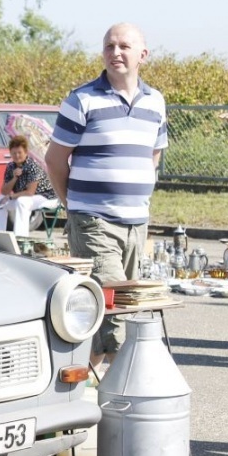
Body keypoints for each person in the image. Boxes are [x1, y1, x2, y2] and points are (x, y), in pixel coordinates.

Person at [44, 22, 168, 375]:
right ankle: (128, 397)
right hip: (94, 221)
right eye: (109, 46)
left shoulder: (155, 103)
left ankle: (79, 386)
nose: (116, 52)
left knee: (111, 309)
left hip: (135, 224)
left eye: (124, 46)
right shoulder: (82, 99)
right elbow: (54, 160)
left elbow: (152, 157)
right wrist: (74, 206)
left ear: (142, 55)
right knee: (113, 308)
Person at [0, 135, 58, 236]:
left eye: (19, 153)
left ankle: (20, 237)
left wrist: (11, 196)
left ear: (26, 152)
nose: (17, 155)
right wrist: (14, 178)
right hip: (25, 197)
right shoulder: (10, 166)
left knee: (22, 202)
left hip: (45, 197)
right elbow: (4, 192)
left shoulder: (32, 166)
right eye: (14, 153)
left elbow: (30, 192)